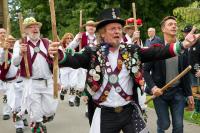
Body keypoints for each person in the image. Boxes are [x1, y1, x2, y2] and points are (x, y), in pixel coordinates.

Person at [48, 9, 199, 133]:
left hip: (129, 112)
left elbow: (156, 53)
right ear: (102, 33)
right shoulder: (92, 52)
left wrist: (182, 45)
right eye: (112, 29)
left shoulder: (132, 50)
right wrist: (59, 55)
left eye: (119, 29)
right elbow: (74, 60)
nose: (117, 32)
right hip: (104, 113)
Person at [143, 16, 195, 133]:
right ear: (163, 29)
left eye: (175, 24)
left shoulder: (183, 48)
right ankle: (161, 123)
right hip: (160, 93)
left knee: (178, 125)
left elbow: (185, 73)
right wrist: (153, 87)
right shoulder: (156, 47)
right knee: (164, 124)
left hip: (178, 92)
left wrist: (189, 94)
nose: (174, 26)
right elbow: (145, 71)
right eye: (170, 24)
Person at [12, 17, 60, 133]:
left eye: (36, 26)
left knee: (50, 110)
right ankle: (37, 124)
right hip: (31, 83)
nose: (34, 28)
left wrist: (57, 80)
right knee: (36, 114)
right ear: (25, 31)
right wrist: (20, 53)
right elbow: (15, 62)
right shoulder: (20, 44)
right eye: (31, 27)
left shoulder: (47, 42)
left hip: (48, 81)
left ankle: (37, 116)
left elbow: (55, 63)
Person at [0, 28, 12, 121]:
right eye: (1, 33)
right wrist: (3, 50)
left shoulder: (10, 44)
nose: (3, 34)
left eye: (4, 33)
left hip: (9, 73)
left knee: (7, 93)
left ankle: (6, 112)